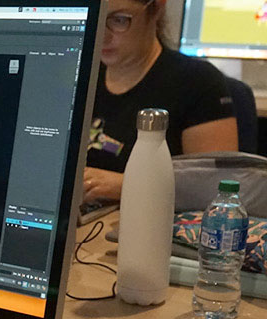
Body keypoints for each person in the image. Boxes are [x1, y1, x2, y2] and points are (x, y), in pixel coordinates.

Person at [84, 0, 238, 202]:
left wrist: (125, 185)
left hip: (151, 223)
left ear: (156, 8)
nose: (102, 35)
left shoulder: (197, 82)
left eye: (119, 20)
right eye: (93, 19)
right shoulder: (82, 75)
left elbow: (215, 189)